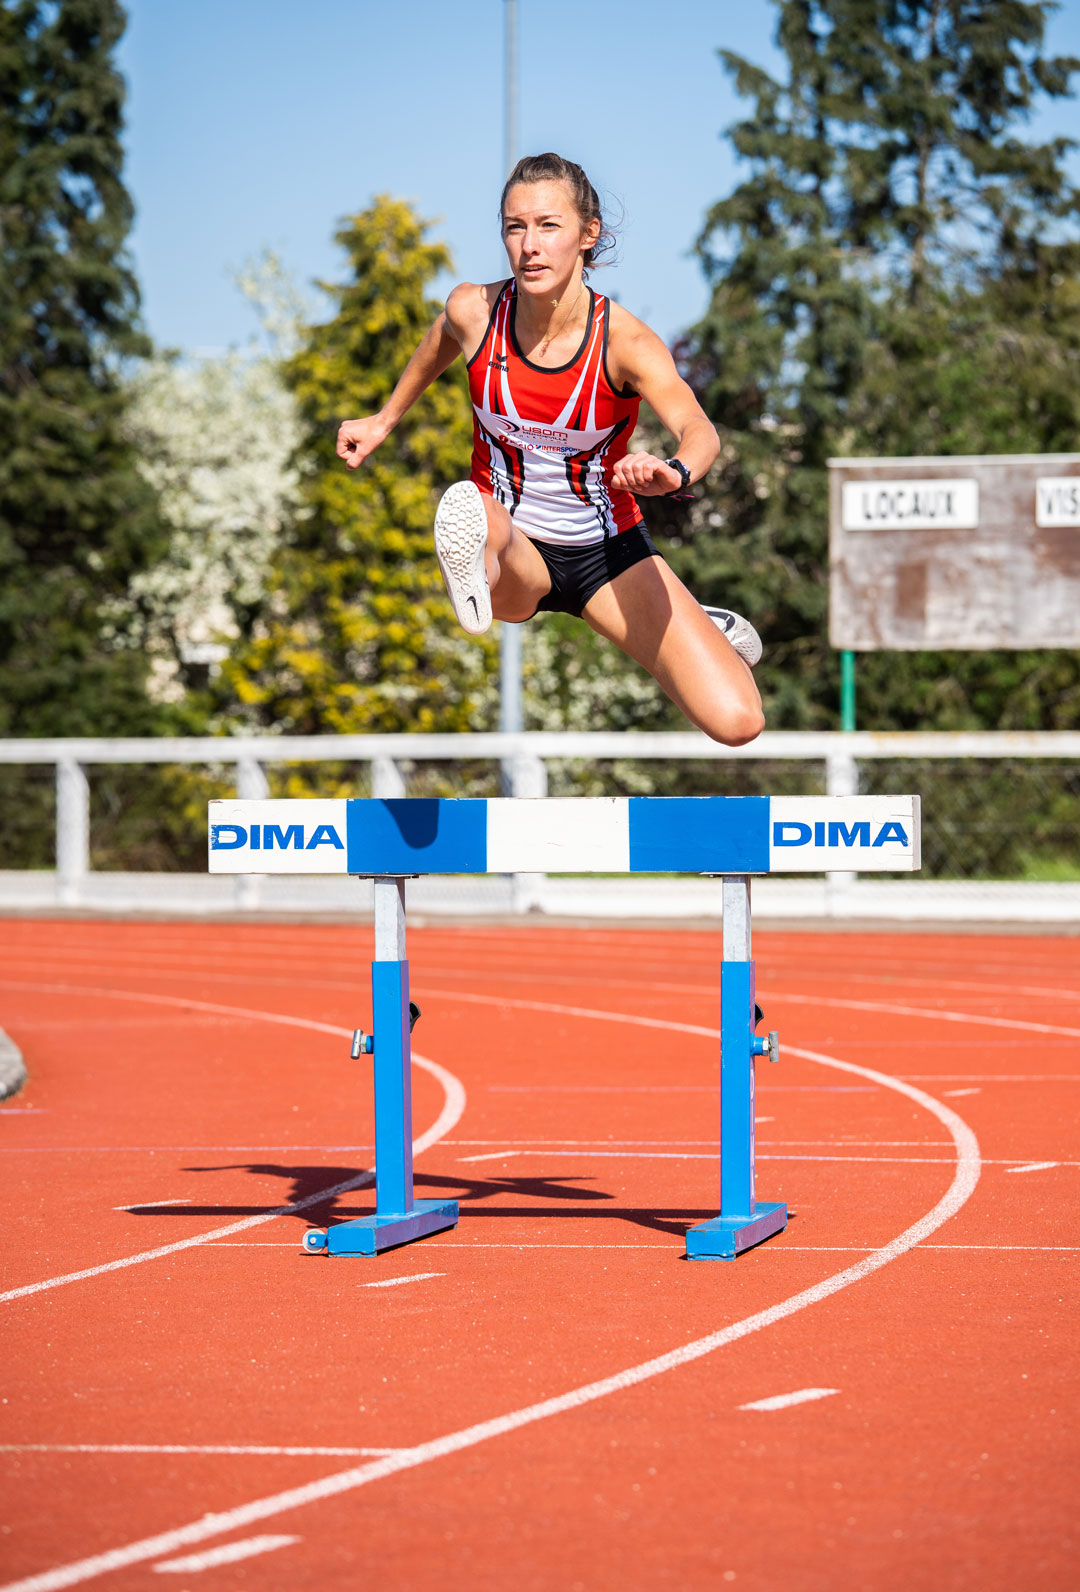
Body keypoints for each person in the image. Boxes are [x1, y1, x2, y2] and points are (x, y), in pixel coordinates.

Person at [336, 152, 765, 746]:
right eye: (515, 227)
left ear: (588, 235)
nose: (529, 246)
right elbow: (441, 337)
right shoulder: (475, 311)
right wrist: (385, 419)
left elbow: (700, 429)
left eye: (548, 226)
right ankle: (476, 568)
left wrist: (674, 469)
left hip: (606, 553)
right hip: (513, 543)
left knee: (738, 722)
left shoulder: (627, 343)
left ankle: (701, 627)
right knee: (476, 512)